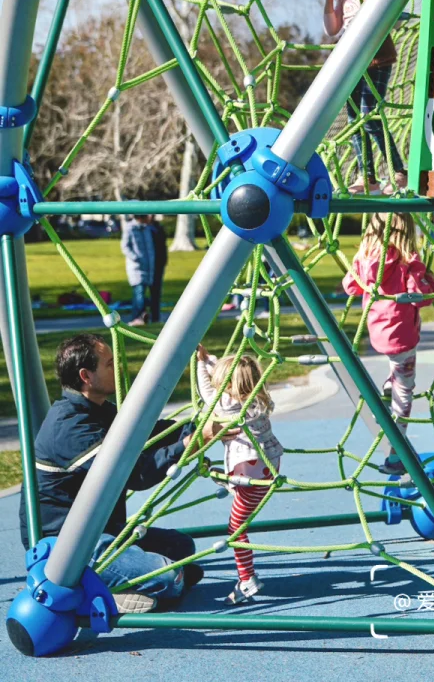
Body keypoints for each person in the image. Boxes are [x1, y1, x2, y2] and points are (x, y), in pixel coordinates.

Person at [20, 334, 200, 613]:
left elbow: (148, 432)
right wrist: (187, 445)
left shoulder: (98, 410)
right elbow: (134, 474)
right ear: (86, 376)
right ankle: (94, 595)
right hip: (66, 545)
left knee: (181, 547)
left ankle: (122, 586)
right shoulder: (70, 428)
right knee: (168, 577)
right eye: (109, 364)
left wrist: (196, 427)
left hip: (99, 530)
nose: (118, 369)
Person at [344, 213, 434, 473]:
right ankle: (397, 454)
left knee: (397, 373)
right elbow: (423, 296)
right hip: (401, 335)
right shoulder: (407, 262)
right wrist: (425, 273)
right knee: (405, 389)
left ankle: (387, 388)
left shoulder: (364, 258)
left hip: (377, 331)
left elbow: (350, 286)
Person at [196, 345, 283, 603]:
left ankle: (247, 580)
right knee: (240, 510)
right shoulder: (257, 400)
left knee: (236, 528)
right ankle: (229, 481)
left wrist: (200, 364)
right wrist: (209, 360)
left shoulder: (228, 405)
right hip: (268, 469)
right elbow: (228, 375)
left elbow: (205, 390)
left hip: (251, 474)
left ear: (228, 385)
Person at [324, 0, 407, 195]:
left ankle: (398, 170)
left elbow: (392, 19)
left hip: (376, 57)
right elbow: (332, 29)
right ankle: (366, 175)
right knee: (354, 120)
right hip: (350, 60)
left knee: (369, 116)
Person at [120, 216, 155, 326]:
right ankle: (137, 316)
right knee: (139, 293)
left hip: (148, 266)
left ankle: (141, 316)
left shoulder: (146, 229)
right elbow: (125, 246)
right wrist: (136, 258)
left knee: (141, 293)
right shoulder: (130, 228)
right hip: (136, 267)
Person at [148, 216, 168, 324]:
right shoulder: (144, 228)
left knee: (156, 291)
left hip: (158, 263)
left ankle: (155, 316)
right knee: (141, 291)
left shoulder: (158, 227)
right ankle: (140, 315)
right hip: (147, 264)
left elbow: (163, 245)